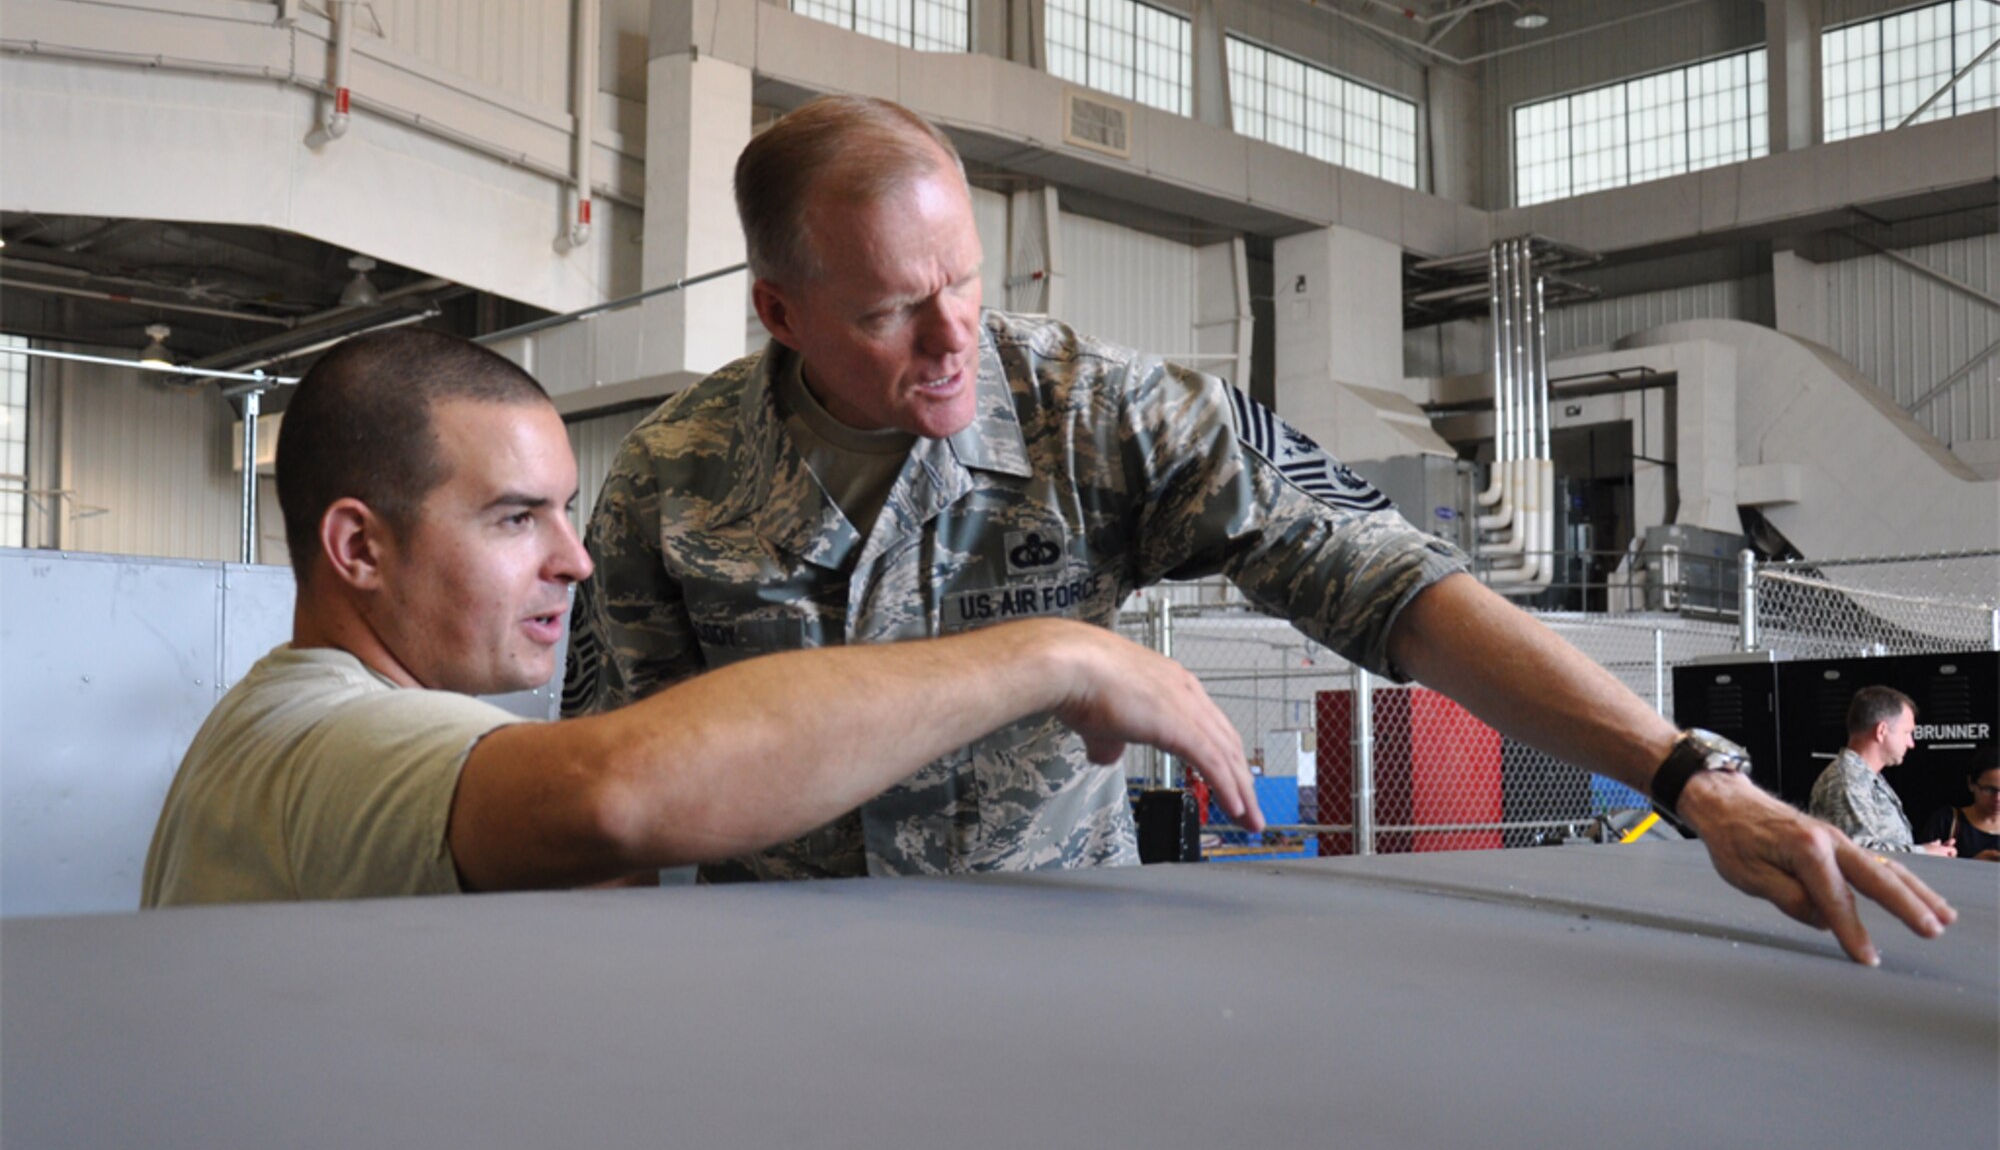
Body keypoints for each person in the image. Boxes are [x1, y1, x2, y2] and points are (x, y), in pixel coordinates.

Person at [566, 95, 1954, 965]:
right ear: (779, 312)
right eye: (885, 313)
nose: (949, 342)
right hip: (770, 974)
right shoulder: (669, 488)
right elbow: (609, 800)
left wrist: (1687, 775)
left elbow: (1391, 583)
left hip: (1058, 959)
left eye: (967, 286)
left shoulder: (1092, 415)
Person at [141, 330, 1264, 906]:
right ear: (357, 547)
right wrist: (1051, 652)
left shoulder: (287, 724)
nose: (573, 559)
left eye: (566, 512)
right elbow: (613, 789)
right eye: (513, 518)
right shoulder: (332, 738)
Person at [1806, 686, 1955, 857]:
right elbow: (1860, 854)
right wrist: (1923, 853)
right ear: (1882, 731)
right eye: (1907, 733)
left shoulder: (1866, 777)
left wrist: (1932, 852)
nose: (1911, 743)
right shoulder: (1847, 781)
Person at [1918, 747, 2000, 861]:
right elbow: (1922, 869)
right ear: (1971, 784)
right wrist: (1973, 866)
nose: (1997, 798)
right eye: (1989, 790)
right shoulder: (1947, 821)